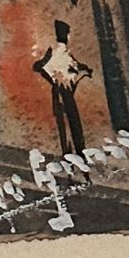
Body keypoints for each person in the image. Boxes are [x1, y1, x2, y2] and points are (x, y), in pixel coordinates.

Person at [33, 20, 92, 157]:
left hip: (65, 92)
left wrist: (82, 70)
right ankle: (73, 152)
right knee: (68, 122)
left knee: (70, 122)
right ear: (65, 35)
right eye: (68, 34)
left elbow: (76, 66)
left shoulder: (65, 52)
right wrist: (53, 77)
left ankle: (76, 152)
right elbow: (39, 66)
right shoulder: (55, 52)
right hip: (62, 91)